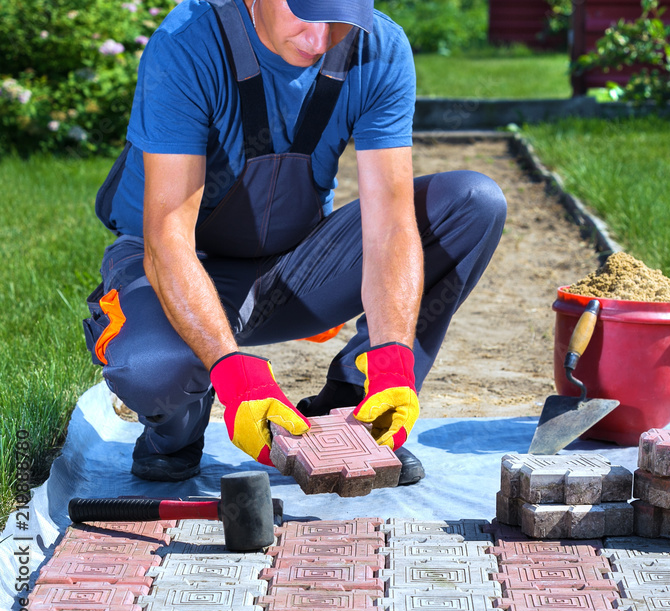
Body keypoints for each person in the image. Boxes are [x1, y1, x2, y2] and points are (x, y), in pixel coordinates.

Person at [81, 0, 506, 485]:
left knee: (474, 202)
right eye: (303, 14)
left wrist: (392, 359)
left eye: (339, 19)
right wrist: (232, 372)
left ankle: (356, 412)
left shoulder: (379, 47)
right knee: (154, 367)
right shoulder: (190, 43)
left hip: (295, 269)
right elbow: (167, 238)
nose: (319, 40)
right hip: (173, 266)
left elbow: (390, 223)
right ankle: (174, 432)